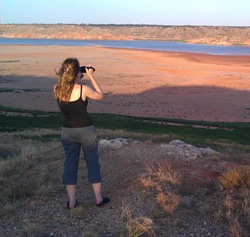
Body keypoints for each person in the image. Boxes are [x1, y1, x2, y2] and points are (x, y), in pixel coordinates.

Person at [54, 57, 110, 209]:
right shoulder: (83, 89)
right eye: (80, 70)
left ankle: (72, 202)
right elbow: (100, 95)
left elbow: (68, 89)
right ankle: (98, 199)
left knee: (70, 164)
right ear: (76, 73)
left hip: (66, 131)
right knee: (92, 162)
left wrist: (77, 75)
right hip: (86, 131)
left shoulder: (57, 89)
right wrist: (91, 76)